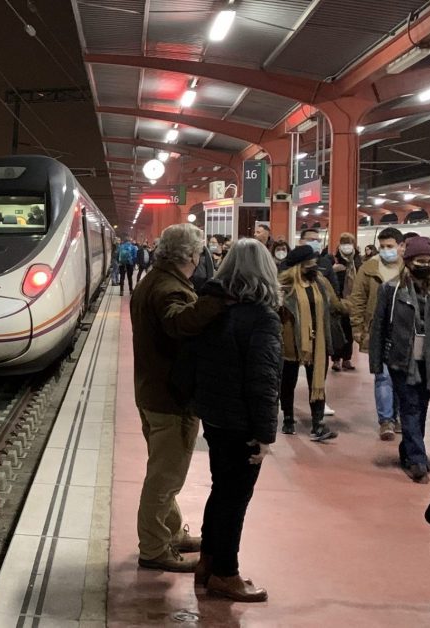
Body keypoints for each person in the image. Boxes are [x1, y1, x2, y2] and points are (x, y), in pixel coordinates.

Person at [181, 239, 280, 602]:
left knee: (220, 491)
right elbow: (263, 380)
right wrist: (264, 434)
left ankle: (208, 561)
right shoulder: (262, 317)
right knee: (235, 498)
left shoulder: (214, 309)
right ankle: (226, 573)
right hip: (241, 422)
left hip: (215, 417)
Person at [130, 223, 225, 572]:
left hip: (152, 390)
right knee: (165, 477)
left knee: (162, 470)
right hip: (171, 397)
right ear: (190, 256)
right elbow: (178, 322)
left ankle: (170, 532)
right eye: (200, 254)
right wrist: (217, 301)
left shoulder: (154, 280)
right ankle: (154, 549)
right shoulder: (171, 289)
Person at [369, 237, 430, 484]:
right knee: (410, 406)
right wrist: (376, 362)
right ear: (408, 262)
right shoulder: (391, 290)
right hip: (400, 360)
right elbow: (380, 327)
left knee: (421, 409)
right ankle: (417, 459)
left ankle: (407, 451)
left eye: (429, 261)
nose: (425, 265)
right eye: (420, 261)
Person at [278, 245, 344, 440]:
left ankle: (318, 424)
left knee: (317, 381)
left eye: (314, 263)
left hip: (318, 341)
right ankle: (288, 419)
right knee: (287, 381)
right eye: (309, 264)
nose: (314, 267)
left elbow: (335, 304)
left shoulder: (321, 283)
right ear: (299, 266)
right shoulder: (285, 286)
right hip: (292, 341)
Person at [349, 227, 405, 439]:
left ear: (401, 247)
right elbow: (358, 300)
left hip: (404, 332)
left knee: (401, 376)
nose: (385, 250)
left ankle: (397, 415)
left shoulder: (408, 269)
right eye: (382, 247)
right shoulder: (368, 268)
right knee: (383, 377)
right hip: (378, 331)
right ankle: (386, 420)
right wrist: (357, 327)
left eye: (389, 246)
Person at [331, 232, 362, 372]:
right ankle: (336, 360)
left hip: (352, 300)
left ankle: (347, 359)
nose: (347, 246)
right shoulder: (333, 259)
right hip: (338, 300)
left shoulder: (357, 260)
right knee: (338, 330)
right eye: (344, 242)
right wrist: (334, 270)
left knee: (349, 331)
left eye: (349, 242)